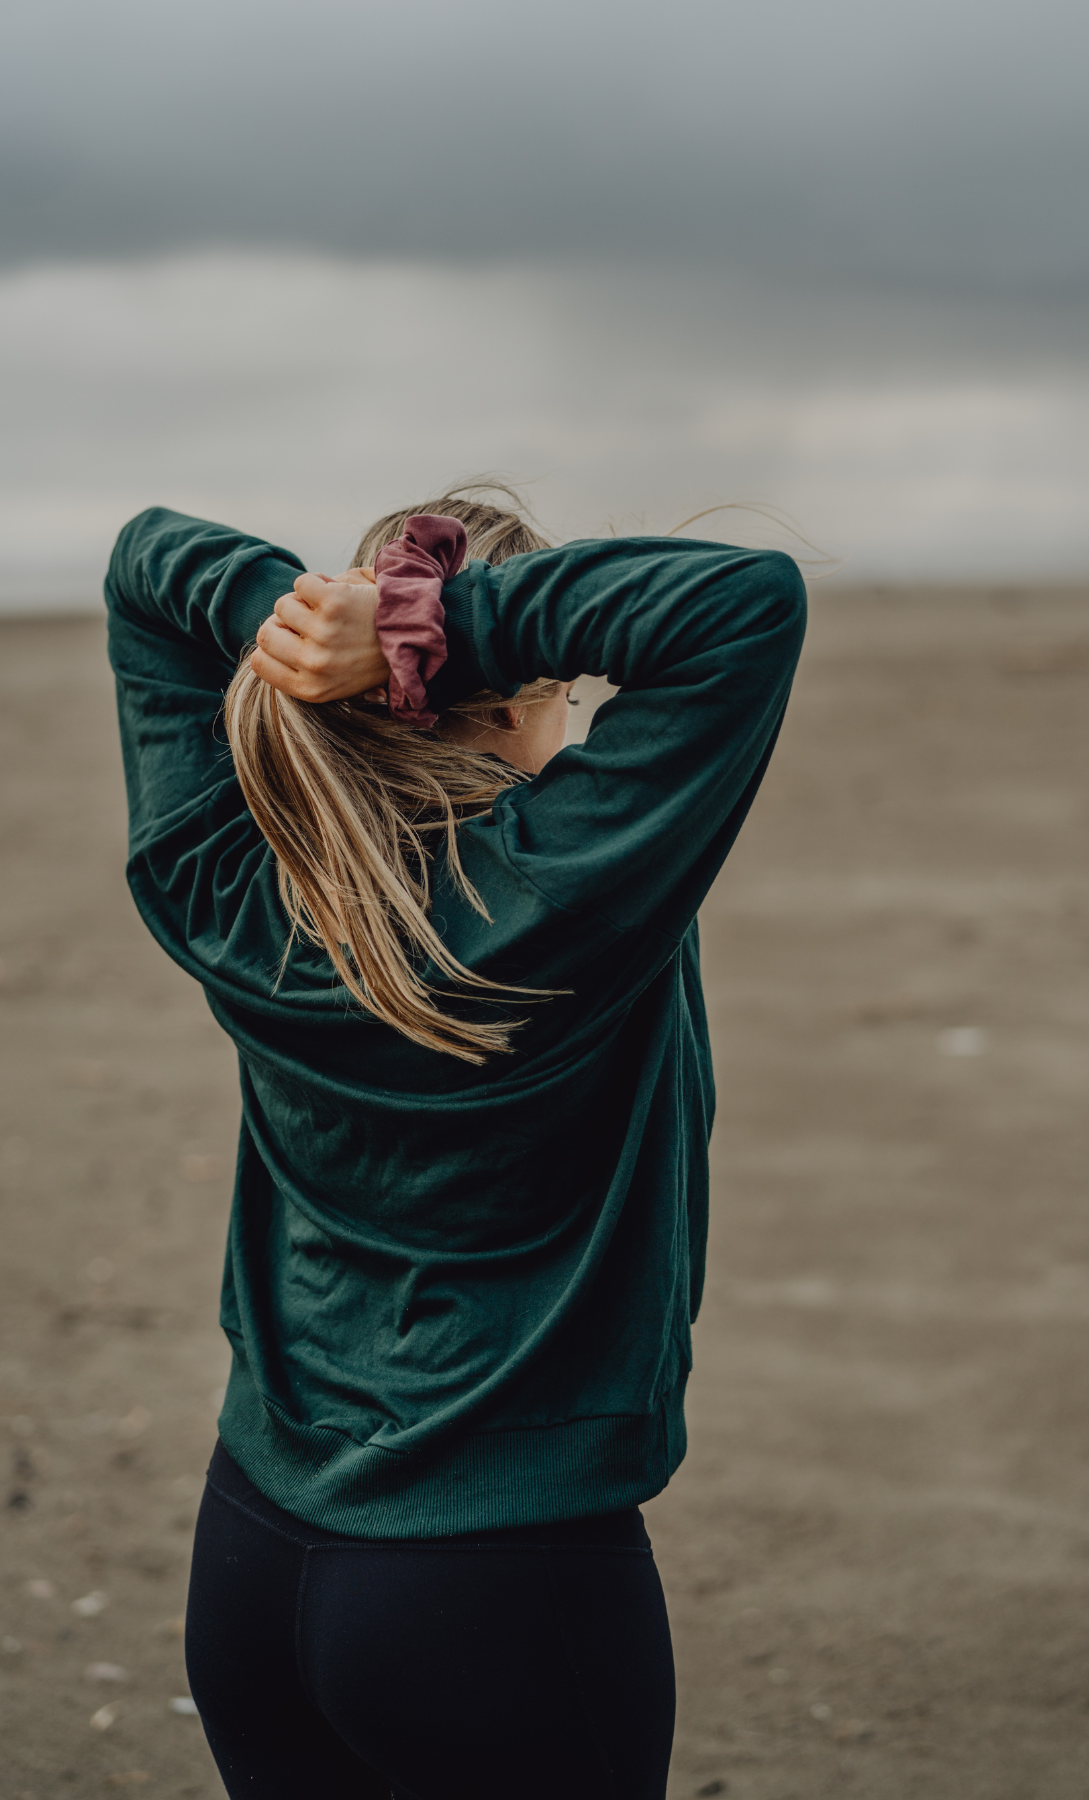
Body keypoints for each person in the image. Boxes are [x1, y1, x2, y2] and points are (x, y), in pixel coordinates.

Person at [105, 485, 806, 1800]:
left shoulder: (233, 885)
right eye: (567, 700)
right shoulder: (568, 894)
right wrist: (435, 629)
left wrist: (309, 618)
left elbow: (147, 564)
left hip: (253, 1549)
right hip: (498, 1588)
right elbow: (739, 605)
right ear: (514, 688)